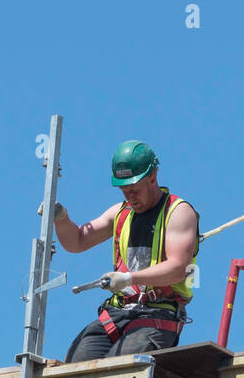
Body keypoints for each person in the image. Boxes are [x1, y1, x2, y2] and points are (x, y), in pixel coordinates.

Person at [51, 140, 200, 361]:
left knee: (119, 368)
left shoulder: (178, 213)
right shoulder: (120, 213)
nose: (129, 196)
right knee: (76, 366)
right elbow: (77, 242)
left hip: (158, 313)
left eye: (134, 190)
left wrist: (128, 278)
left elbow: (178, 269)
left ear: (152, 178)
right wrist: (61, 219)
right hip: (118, 313)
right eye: (124, 190)